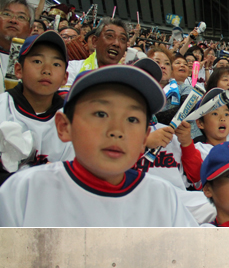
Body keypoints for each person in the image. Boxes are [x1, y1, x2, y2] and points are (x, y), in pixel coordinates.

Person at [0, 64, 197, 226]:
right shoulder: (24, 190)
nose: (116, 130)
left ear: (145, 137)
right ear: (64, 126)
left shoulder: (163, 198)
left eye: (132, 119)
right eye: (101, 114)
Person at [0, 31, 72, 184]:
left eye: (56, 64)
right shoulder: (2, 107)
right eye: (38, 61)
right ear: (18, 69)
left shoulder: (71, 122)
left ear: (65, 77)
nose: (47, 70)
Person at [64, 17, 128, 88]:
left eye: (122, 39)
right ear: (95, 41)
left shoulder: (129, 79)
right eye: (110, 36)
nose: (116, 43)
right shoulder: (72, 69)